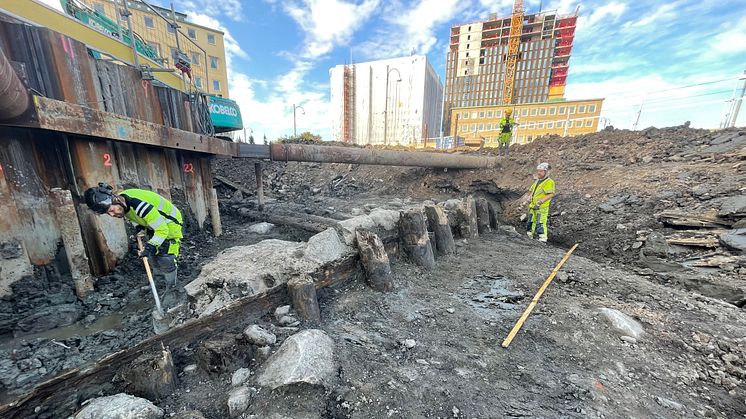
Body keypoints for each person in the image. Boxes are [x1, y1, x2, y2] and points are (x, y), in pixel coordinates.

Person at [84, 183, 183, 292]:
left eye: (112, 210)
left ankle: (171, 289)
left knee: (165, 256)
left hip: (170, 222)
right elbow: (134, 216)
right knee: (153, 256)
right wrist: (138, 227)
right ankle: (158, 284)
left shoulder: (139, 205)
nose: (112, 215)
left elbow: (163, 230)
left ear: (115, 200)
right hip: (154, 224)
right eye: (108, 213)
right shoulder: (123, 203)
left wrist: (150, 246)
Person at [526, 163, 555, 243]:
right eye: (538, 171)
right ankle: (529, 236)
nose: (538, 173)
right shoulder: (537, 181)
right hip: (533, 206)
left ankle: (542, 238)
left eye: (541, 171)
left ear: (546, 172)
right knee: (531, 221)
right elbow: (532, 192)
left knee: (540, 222)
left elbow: (551, 194)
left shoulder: (549, 182)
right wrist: (528, 200)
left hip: (541, 207)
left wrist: (540, 202)